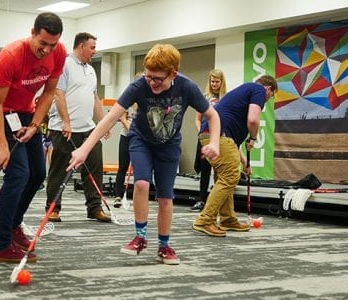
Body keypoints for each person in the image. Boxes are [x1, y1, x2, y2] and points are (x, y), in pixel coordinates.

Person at [69, 43, 221, 265]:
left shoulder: (187, 87)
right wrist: (84, 148)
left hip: (169, 146)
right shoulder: (139, 85)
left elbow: (212, 115)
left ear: (173, 74)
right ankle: (140, 237)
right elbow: (110, 118)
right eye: (149, 76)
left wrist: (214, 142)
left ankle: (164, 245)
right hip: (141, 140)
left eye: (157, 79)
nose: (151, 82)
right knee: (141, 184)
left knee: (165, 197)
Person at [0, 12, 68, 264]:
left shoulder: (59, 52)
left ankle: (13, 225)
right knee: (18, 173)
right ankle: (0, 244)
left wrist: (34, 125)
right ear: (33, 33)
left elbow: (49, 92)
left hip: (26, 113)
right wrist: (2, 146)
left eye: (52, 45)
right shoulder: (11, 56)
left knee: (38, 174)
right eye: (42, 43)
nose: (46, 50)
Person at [191, 75, 276, 237]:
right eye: (271, 96)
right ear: (269, 89)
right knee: (230, 176)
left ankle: (228, 219)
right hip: (219, 136)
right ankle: (204, 219)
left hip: (210, 136)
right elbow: (253, 120)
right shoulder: (258, 89)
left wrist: (245, 163)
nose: (268, 99)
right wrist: (253, 138)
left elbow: (233, 146)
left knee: (225, 176)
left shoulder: (241, 96)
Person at [45, 32, 111, 223]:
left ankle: (94, 208)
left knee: (94, 166)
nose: (94, 51)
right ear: (81, 46)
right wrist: (66, 121)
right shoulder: (64, 65)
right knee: (60, 170)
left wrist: (102, 123)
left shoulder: (90, 70)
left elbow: (94, 98)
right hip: (63, 128)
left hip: (88, 129)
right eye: (92, 47)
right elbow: (58, 94)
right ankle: (53, 208)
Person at [191, 69, 227, 211]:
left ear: (221, 82)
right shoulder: (204, 97)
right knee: (204, 170)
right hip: (205, 137)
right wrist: (201, 133)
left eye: (217, 82)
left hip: (220, 138)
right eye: (212, 81)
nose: (214, 84)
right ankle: (202, 200)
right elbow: (197, 119)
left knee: (219, 169)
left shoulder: (226, 98)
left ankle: (218, 201)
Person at [112, 103, 136, 208]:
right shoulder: (129, 101)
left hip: (140, 139)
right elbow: (122, 118)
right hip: (126, 137)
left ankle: (138, 196)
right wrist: (133, 131)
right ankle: (118, 196)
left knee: (140, 168)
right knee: (122, 166)